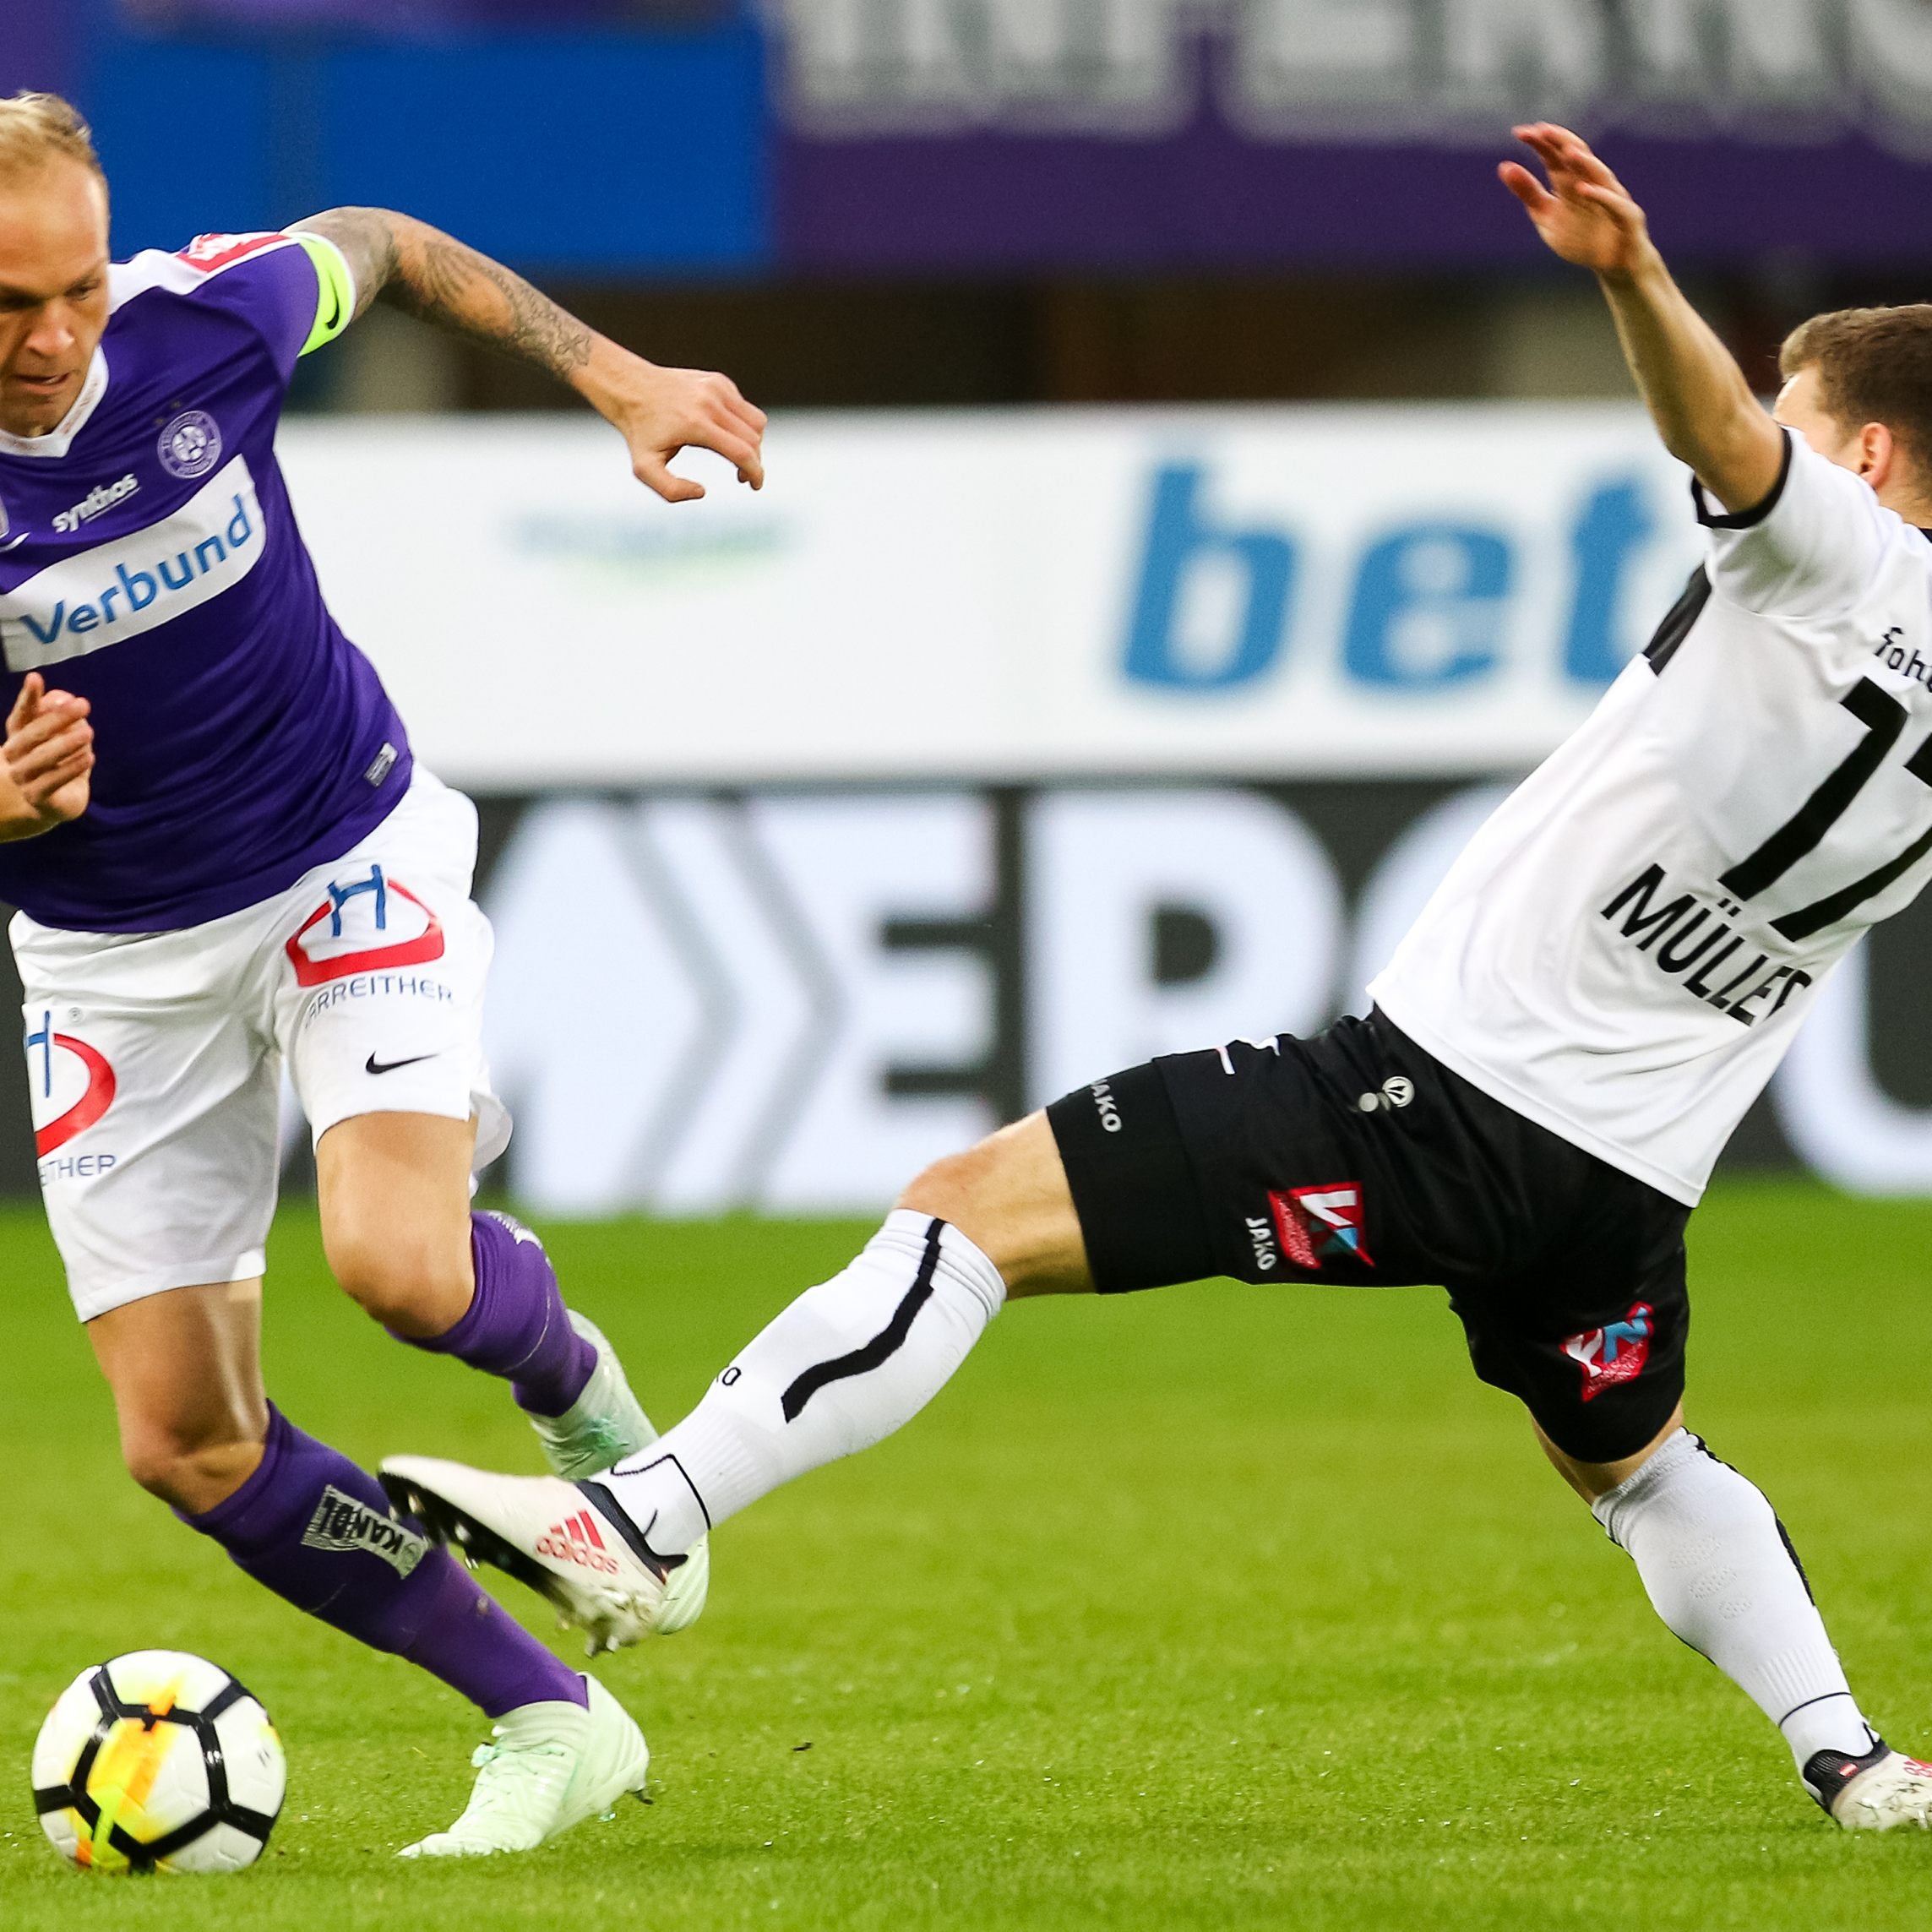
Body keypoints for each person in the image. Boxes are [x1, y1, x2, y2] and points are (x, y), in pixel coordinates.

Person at [388, 122, 1932, 1833]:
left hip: (1439, 1097)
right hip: (1623, 1187)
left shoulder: (1843, 558)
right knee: (1637, 1465)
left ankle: (646, 1517)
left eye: (1802, 423)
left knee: (969, 1210)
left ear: (1866, 458)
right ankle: (1854, 1759)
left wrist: (1634, 278)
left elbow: (1720, 442)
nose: (1775, 439)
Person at [0, 91, 767, 1855]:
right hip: (112, 962)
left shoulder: (205, 318)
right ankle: (554, 1718)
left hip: (338, 852)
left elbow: (391, 245)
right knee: (186, 1442)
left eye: (75, 290)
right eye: (6, 306)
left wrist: (621, 381)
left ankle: (584, 1407)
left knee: (400, 1266)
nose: (52, 339)